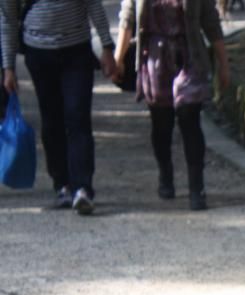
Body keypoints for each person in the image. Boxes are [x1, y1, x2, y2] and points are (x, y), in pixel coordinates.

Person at [1, 0, 117, 214]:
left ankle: (82, 188)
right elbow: (7, 17)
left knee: (78, 117)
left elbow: (93, 4)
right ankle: (62, 185)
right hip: (38, 54)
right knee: (51, 121)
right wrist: (8, 67)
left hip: (77, 51)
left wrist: (107, 46)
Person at [114, 0, 229, 210]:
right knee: (162, 123)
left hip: (190, 56)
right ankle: (165, 173)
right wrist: (118, 59)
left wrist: (223, 63)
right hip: (154, 59)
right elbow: (127, 19)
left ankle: (197, 187)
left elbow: (210, 20)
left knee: (189, 117)